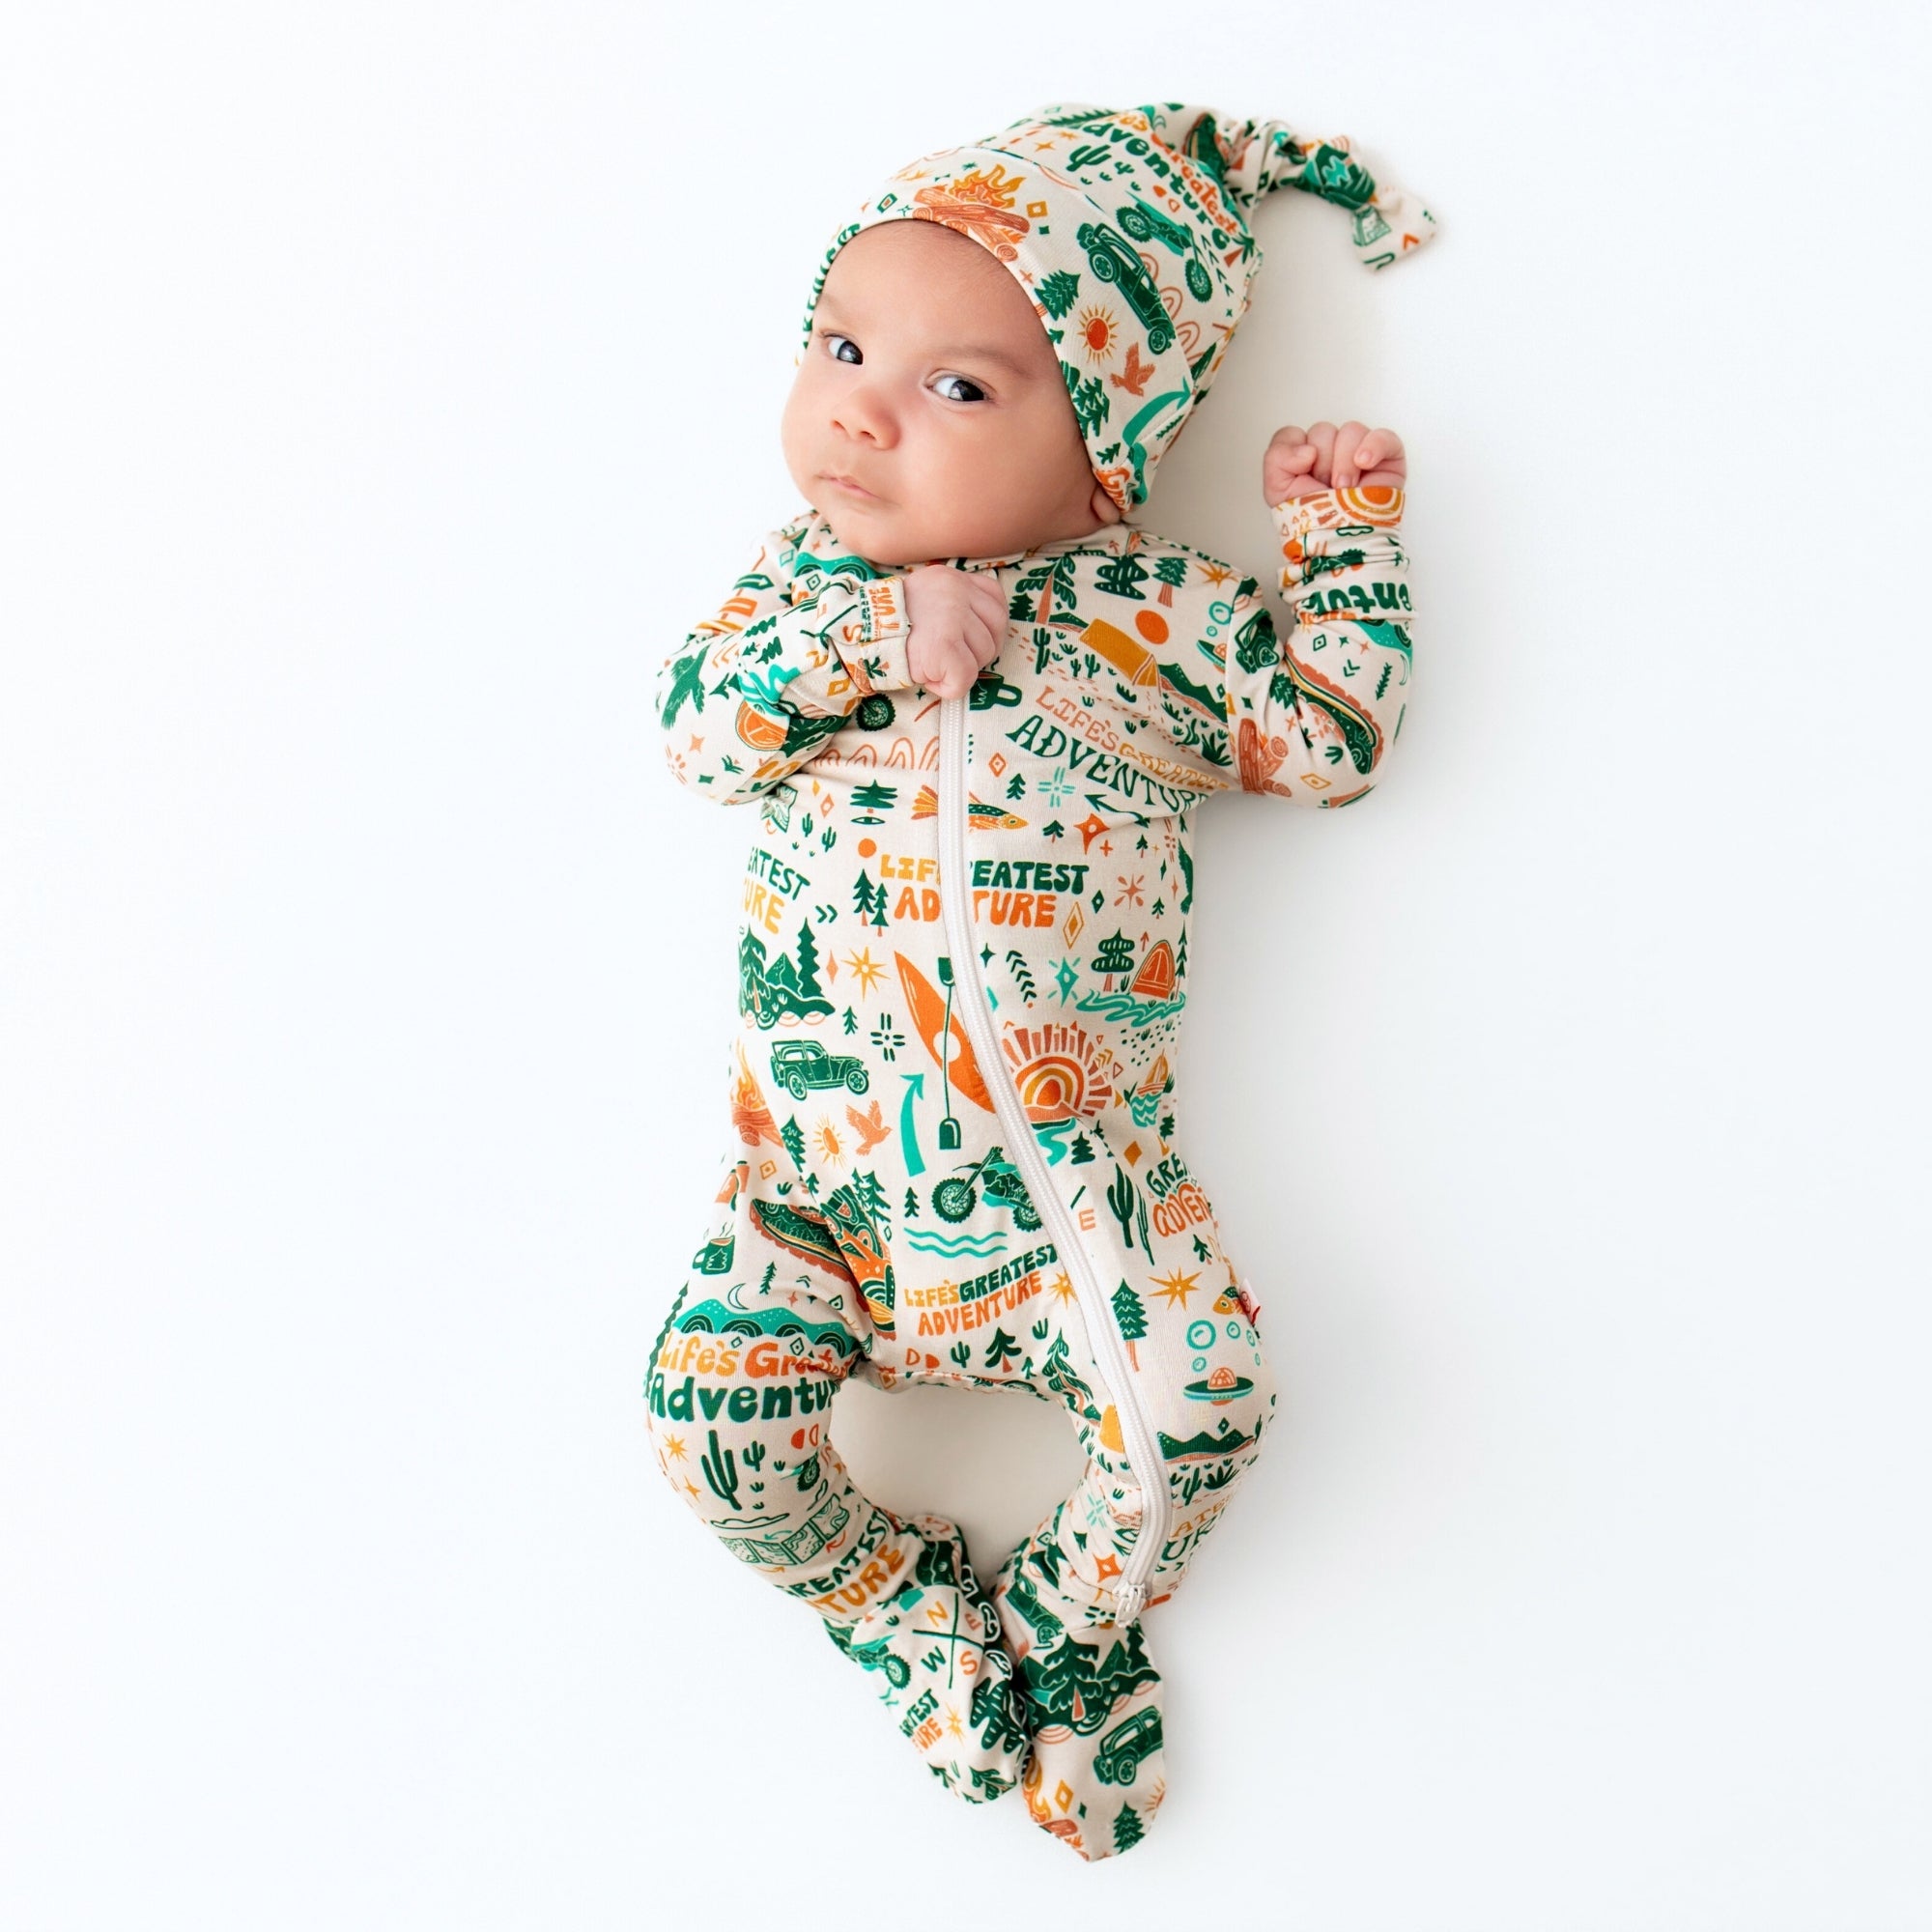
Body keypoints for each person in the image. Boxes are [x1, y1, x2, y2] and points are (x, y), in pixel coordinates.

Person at [645, 100, 1435, 1862]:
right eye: (841, 347)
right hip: (820, 1201)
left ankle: (1074, 1634)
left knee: (1204, 1405)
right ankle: (894, 1605)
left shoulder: (1158, 620)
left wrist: (1345, 548)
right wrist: (868, 634)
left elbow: (1325, 742)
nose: (860, 410)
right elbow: (694, 735)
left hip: (1074, 1198)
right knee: (704, 1431)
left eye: (957, 387)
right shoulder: (800, 592)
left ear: (1104, 458)